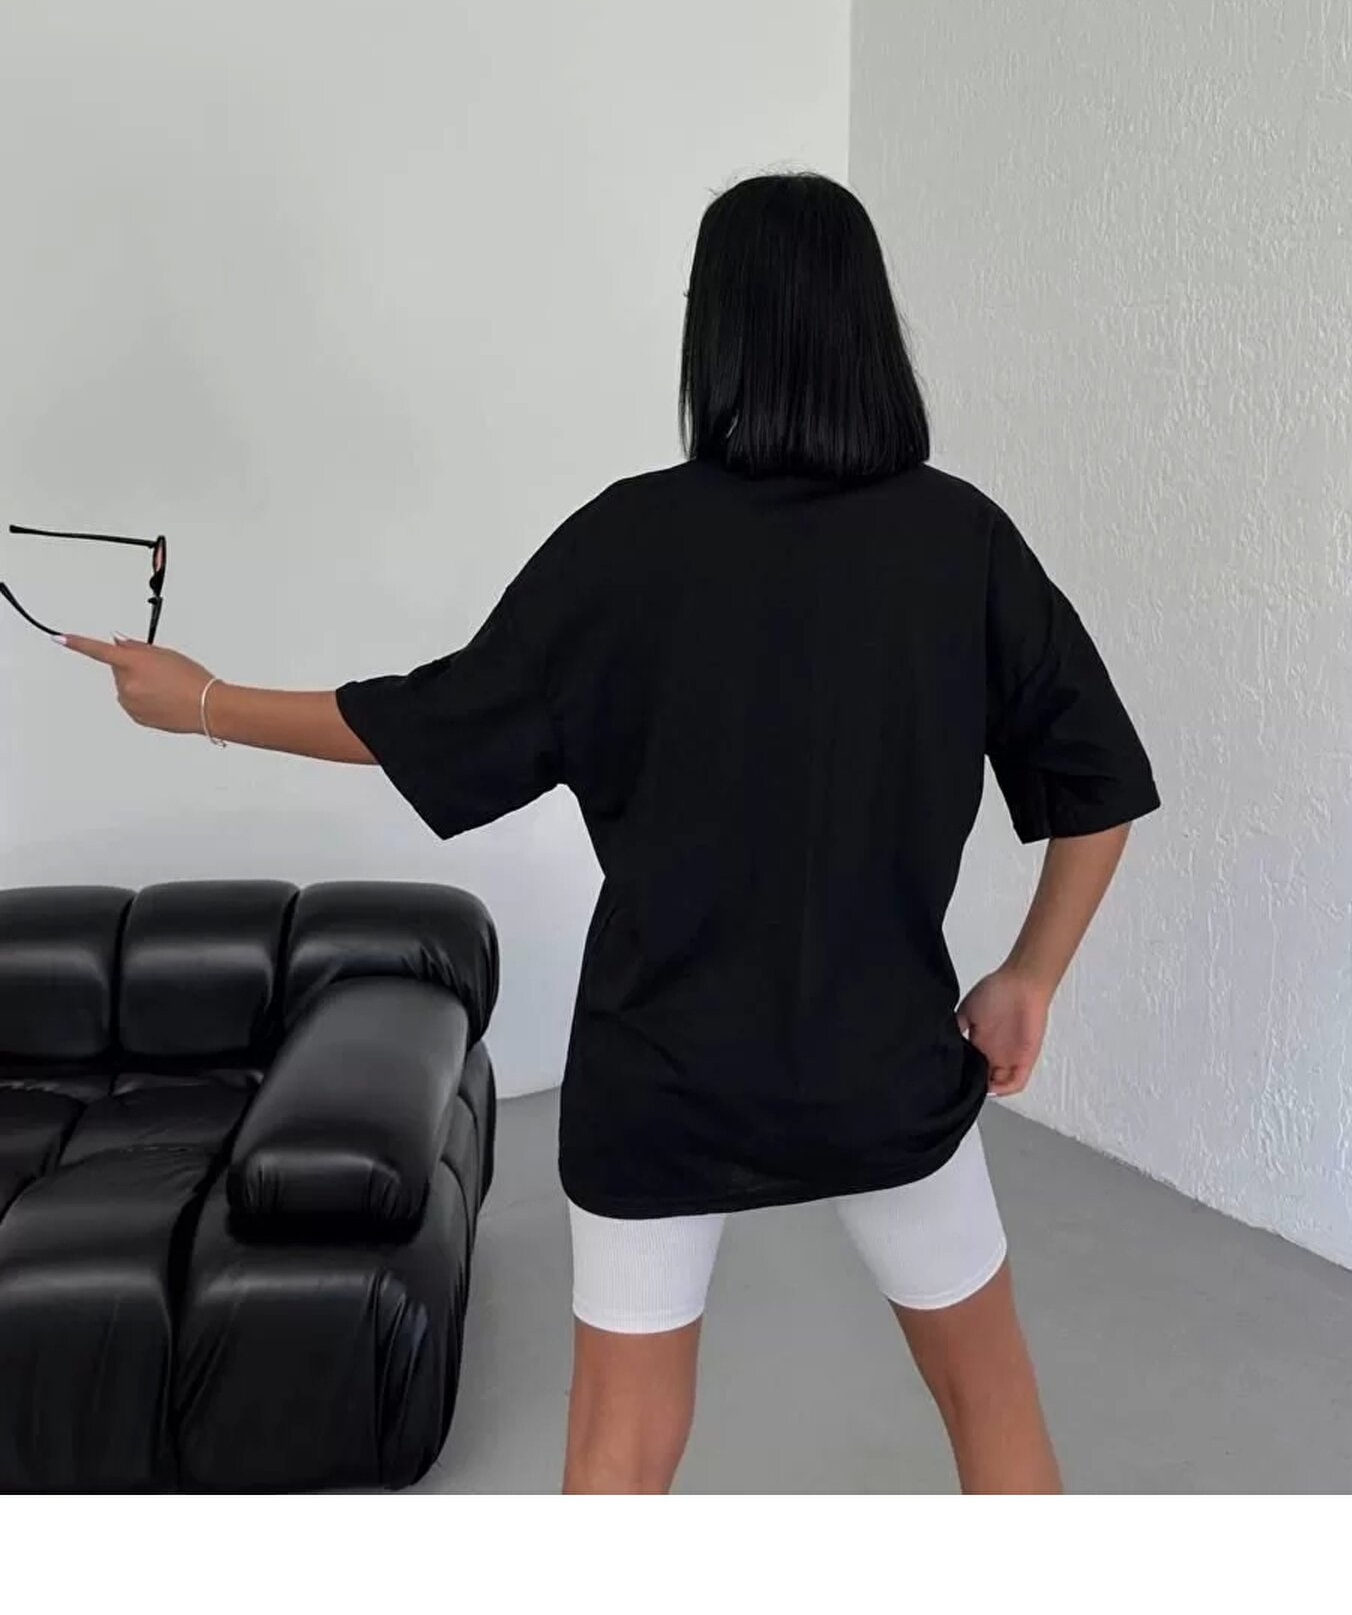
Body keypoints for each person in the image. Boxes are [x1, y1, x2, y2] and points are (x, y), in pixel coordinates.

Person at [63, 170, 1160, 1495]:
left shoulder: (629, 542)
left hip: (661, 1075)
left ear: (718, 330)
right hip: (886, 1066)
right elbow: (1099, 784)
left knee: (619, 1448)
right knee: (992, 1403)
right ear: (869, 324)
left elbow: (439, 721)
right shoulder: (962, 542)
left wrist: (203, 703)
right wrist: (1030, 977)